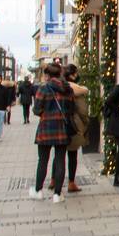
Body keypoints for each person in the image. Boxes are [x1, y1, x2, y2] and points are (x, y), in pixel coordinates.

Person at [32, 63, 73, 203]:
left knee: (43, 160)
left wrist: (46, 113)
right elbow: (71, 109)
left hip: (46, 128)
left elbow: (36, 109)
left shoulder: (44, 88)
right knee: (60, 159)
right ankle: (57, 194)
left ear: (48, 75)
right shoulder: (67, 89)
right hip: (62, 129)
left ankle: (38, 191)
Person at [64, 64, 89, 193]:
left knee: (59, 155)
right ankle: (71, 182)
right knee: (72, 154)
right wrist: (85, 122)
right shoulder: (76, 89)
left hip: (57, 125)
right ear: (72, 75)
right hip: (72, 123)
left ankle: (53, 181)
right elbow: (83, 110)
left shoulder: (56, 87)